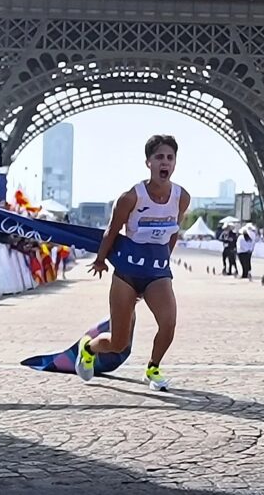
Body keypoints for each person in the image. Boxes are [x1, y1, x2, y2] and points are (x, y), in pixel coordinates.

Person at [75, 135, 191, 391]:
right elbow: (112, 231)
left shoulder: (182, 197)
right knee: (118, 343)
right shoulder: (130, 197)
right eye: (159, 157)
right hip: (127, 273)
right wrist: (101, 260)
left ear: (175, 164)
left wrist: (163, 262)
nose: (165, 162)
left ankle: (153, 368)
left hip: (156, 272)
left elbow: (173, 232)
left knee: (169, 324)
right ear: (148, 162)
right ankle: (88, 348)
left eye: (170, 158)